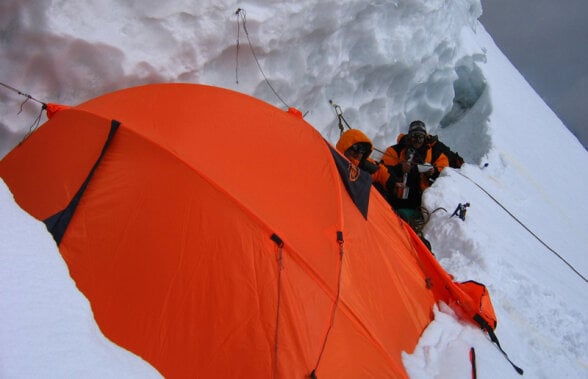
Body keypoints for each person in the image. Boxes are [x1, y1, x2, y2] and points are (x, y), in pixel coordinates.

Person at [380, 120, 449, 223]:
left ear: (425, 137)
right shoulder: (395, 151)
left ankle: (408, 217)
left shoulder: (435, 154)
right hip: (397, 194)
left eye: (421, 136)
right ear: (409, 136)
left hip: (420, 197)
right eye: (415, 136)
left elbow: (446, 174)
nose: (418, 140)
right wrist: (399, 168)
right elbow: (382, 170)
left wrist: (433, 172)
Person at [336, 129, 400, 204]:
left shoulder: (363, 164)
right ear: (346, 146)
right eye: (356, 148)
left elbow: (380, 171)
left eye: (362, 150)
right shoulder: (335, 161)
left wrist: (392, 183)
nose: (359, 154)